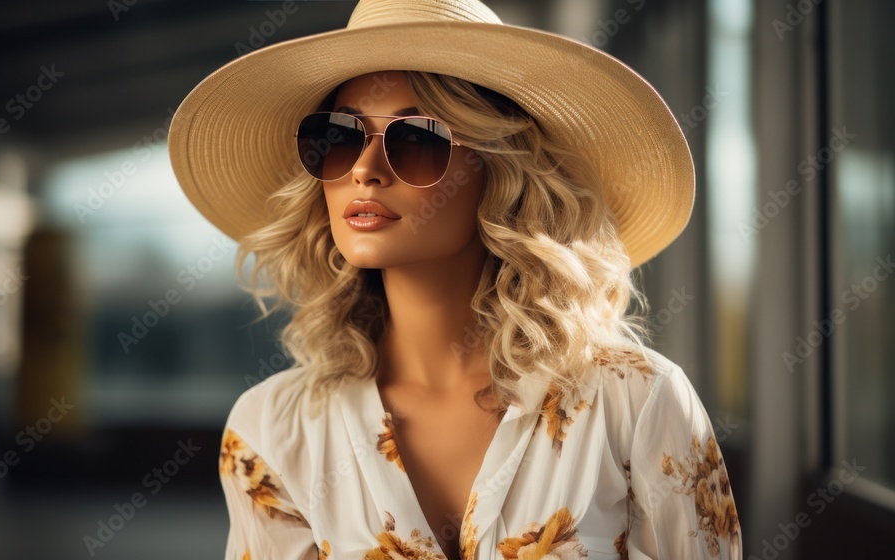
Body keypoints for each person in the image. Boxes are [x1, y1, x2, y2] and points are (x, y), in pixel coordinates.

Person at [167, 0, 742, 559]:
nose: (365, 170)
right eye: (339, 138)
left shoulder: (637, 402)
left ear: (500, 173)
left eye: (416, 140)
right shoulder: (273, 428)